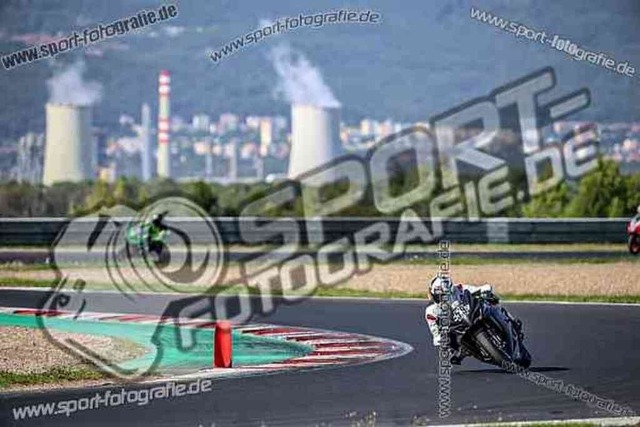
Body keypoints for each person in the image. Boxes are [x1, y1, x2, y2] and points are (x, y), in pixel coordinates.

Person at [425, 275, 501, 364]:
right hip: (456, 328)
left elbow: (477, 289)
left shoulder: (459, 289)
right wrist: (443, 345)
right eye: (439, 296)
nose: (443, 299)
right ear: (433, 294)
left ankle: (503, 320)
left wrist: (485, 290)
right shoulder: (431, 311)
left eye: (445, 295)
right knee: (446, 341)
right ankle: (463, 351)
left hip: (470, 315)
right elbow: (435, 331)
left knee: (489, 306)